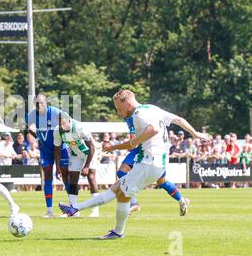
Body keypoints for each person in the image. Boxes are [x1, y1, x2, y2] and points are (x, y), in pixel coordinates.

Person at [59, 89, 210, 239]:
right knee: (118, 190)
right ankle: (78, 210)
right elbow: (178, 120)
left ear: (128, 104)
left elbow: (153, 129)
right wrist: (196, 133)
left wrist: (130, 143)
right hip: (156, 163)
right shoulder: (152, 108)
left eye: (119, 108)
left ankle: (113, 230)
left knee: (120, 194)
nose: (118, 112)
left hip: (148, 164)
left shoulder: (138, 114)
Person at [25, 93, 69, 218]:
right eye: (37, 103)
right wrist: (36, 136)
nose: (40, 105)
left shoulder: (55, 112)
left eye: (42, 103)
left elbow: (67, 121)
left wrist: (61, 132)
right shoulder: (31, 116)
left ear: (46, 103)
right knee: (48, 177)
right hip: (45, 151)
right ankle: (49, 210)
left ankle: (73, 206)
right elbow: (28, 128)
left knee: (65, 176)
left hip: (60, 149)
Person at [54, 112, 100, 217]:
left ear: (69, 120)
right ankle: (73, 210)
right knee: (73, 178)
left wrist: (87, 166)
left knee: (91, 177)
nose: (61, 125)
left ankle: (95, 210)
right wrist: (57, 168)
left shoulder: (79, 127)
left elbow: (92, 146)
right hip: (75, 154)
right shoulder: (57, 131)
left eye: (63, 122)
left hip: (89, 153)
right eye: (59, 122)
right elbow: (57, 150)